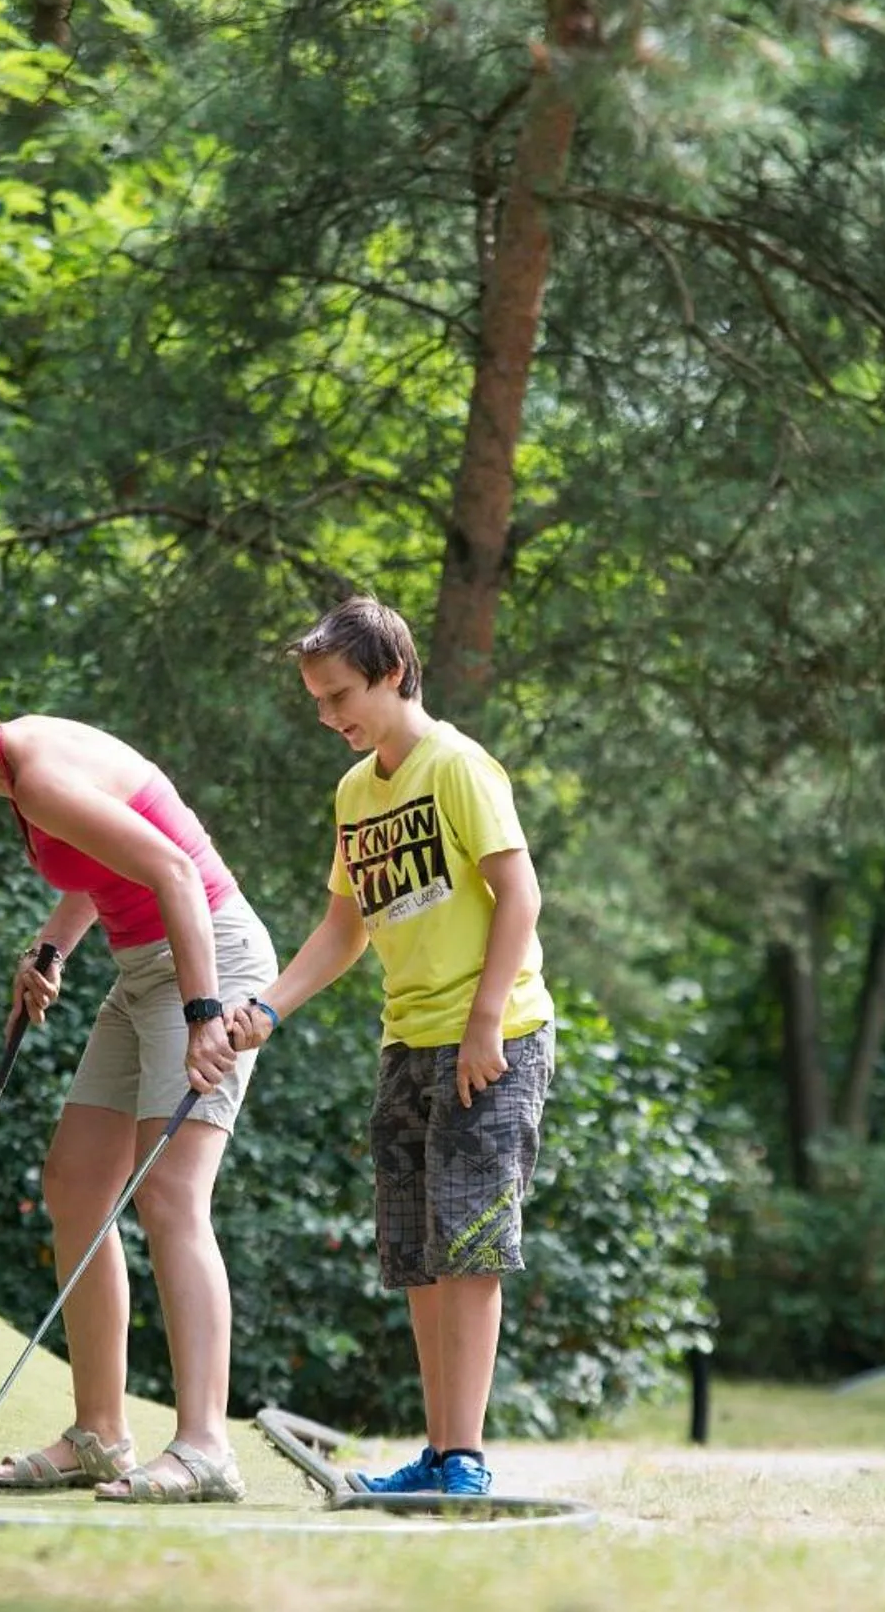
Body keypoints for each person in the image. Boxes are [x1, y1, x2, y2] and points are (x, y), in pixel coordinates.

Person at [0, 665, 274, 1505]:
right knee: (75, 1186)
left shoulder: (36, 771)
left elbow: (177, 873)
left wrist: (202, 1013)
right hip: (142, 966)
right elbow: (100, 865)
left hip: (206, 959)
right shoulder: (22, 770)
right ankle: (101, 1434)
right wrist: (51, 948)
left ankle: (205, 1447)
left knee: (172, 1196)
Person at [220, 597, 556, 1500]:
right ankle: (440, 1452)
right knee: (417, 1251)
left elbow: (520, 898)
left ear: (394, 673)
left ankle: (467, 1458)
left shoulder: (457, 767)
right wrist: (269, 1007)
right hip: (407, 1039)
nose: (330, 716)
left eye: (340, 696)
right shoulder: (355, 791)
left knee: (472, 1246)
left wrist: (484, 1022)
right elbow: (345, 930)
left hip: (493, 1038)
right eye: (319, 701)